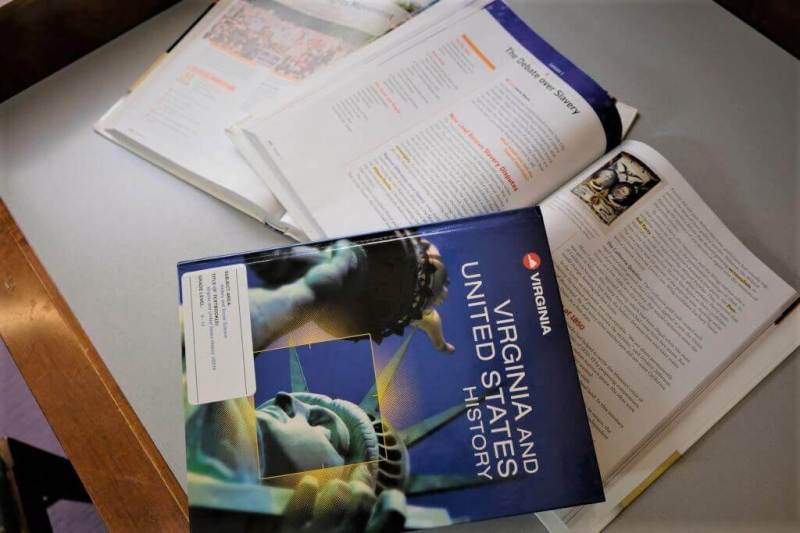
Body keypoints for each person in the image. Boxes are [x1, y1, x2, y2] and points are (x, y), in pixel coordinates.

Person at [248, 233, 455, 354]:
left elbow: (432, 324)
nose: (444, 295)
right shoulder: (422, 306)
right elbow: (432, 323)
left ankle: (281, 267)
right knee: (335, 270)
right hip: (373, 276)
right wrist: (440, 344)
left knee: (333, 273)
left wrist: (441, 344)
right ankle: (280, 265)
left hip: (363, 302)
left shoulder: (421, 311)